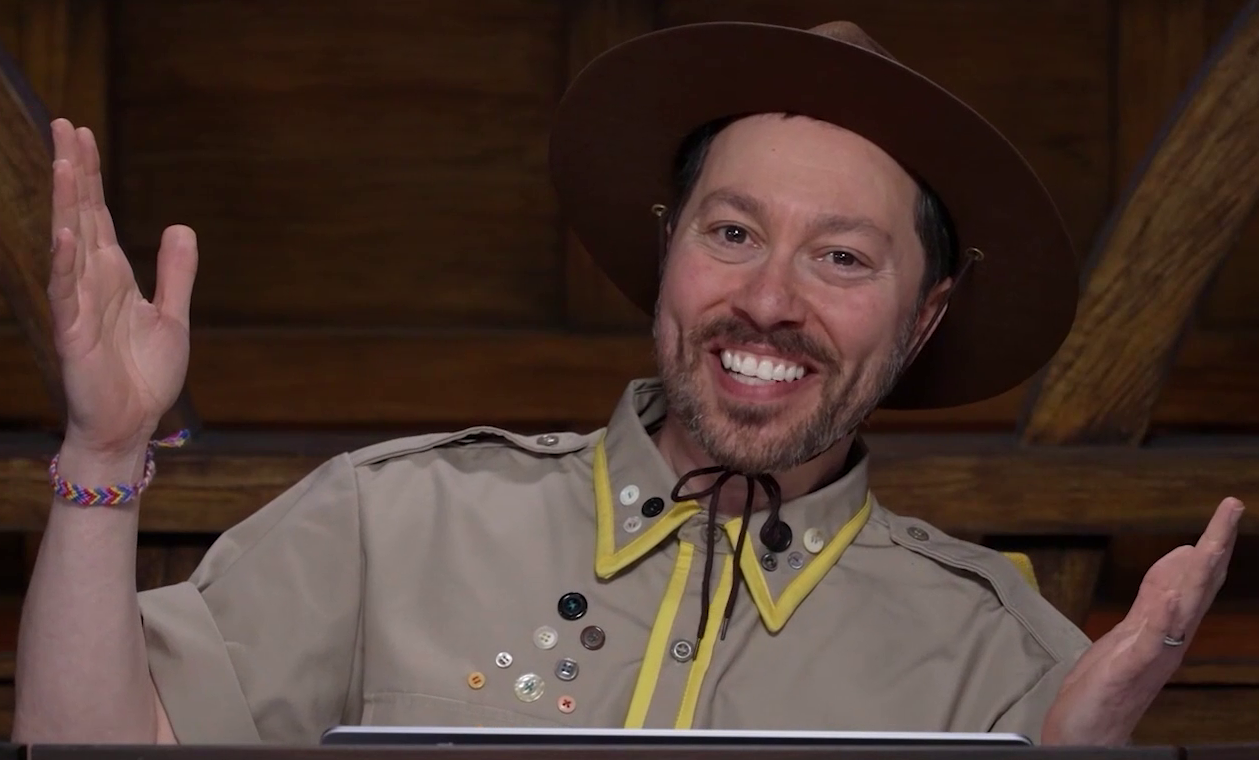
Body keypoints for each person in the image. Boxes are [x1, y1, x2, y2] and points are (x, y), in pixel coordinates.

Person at [13, 18, 1242, 748]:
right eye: (729, 233)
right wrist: (105, 453)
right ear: (668, 252)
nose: (768, 298)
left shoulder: (1001, 659)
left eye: (841, 258)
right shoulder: (389, 523)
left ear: (921, 319)